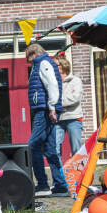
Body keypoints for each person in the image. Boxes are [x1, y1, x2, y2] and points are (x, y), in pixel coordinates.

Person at [25, 43, 68, 196]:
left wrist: (51, 107)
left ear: (33, 54)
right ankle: (61, 184)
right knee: (50, 149)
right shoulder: (46, 63)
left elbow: (52, 85)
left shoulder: (42, 63)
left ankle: (42, 184)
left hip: (44, 111)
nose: (29, 62)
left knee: (33, 146)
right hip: (45, 109)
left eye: (28, 58)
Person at [54, 56, 84, 156]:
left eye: (55, 65)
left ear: (62, 67)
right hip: (58, 119)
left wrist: (58, 103)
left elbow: (75, 99)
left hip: (73, 118)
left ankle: (78, 172)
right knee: (54, 148)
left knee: (76, 150)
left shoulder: (75, 81)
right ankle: (59, 172)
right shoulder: (54, 83)